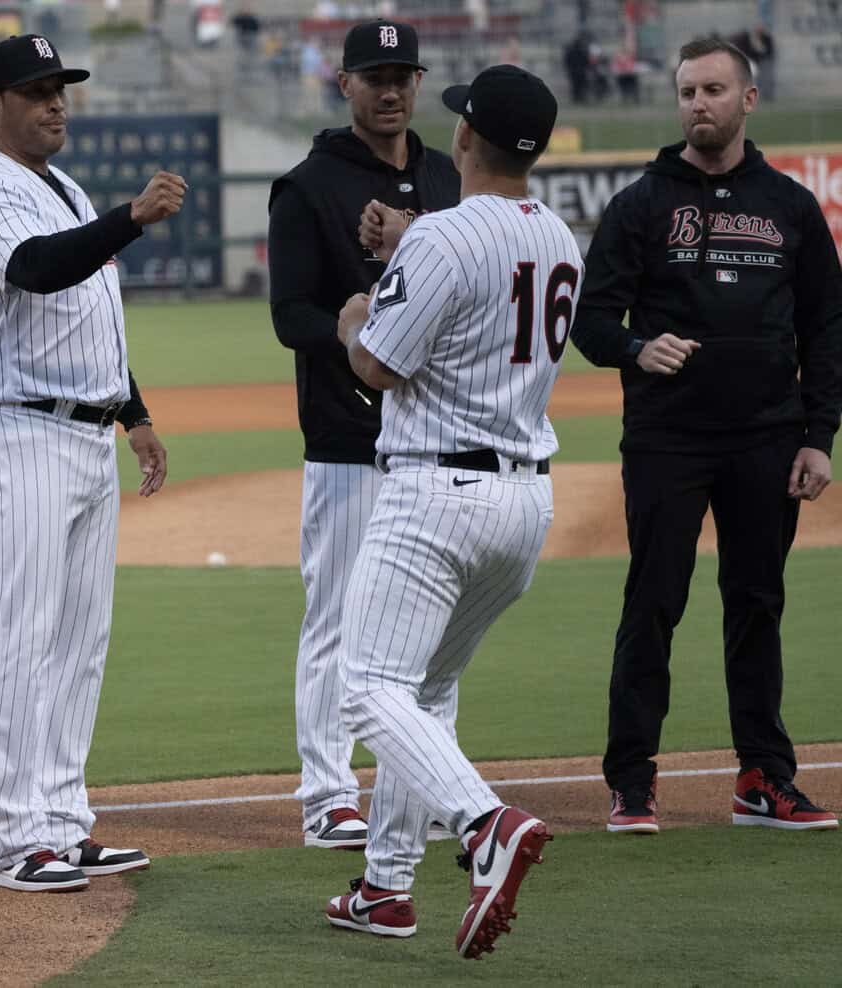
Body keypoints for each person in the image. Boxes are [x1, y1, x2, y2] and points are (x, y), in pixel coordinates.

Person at [329, 64, 582, 958]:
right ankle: (384, 888)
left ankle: (486, 826)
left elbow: (380, 367)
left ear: (467, 138)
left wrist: (355, 319)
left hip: (437, 492)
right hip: (524, 501)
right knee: (425, 692)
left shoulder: (440, 235)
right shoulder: (561, 237)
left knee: (366, 688)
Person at [570, 37, 842, 834]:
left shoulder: (790, 206)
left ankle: (764, 779)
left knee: (756, 604)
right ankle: (632, 784)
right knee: (653, 603)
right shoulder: (641, 204)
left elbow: (827, 325)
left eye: (714, 89)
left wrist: (818, 434)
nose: (699, 104)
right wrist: (633, 348)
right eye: (688, 90)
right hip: (667, 439)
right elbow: (588, 319)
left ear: (747, 99)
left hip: (767, 436)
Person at [0, 34, 185, 892]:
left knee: (81, 641)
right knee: (24, 636)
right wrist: (129, 219)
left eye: (61, 89)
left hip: (85, 434)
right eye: (36, 90)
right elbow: (38, 272)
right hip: (20, 434)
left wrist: (135, 413)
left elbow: (90, 318)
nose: (55, 103)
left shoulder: (62, 186)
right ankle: (12, 843)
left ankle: (61, 822)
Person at [267, 19, 460, 853]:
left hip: (439, 436)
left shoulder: (451, 177)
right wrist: (355, 337)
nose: (391, 89)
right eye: (374, 75)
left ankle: (424, 787)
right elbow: (291, 315)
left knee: (435, 634)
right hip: (349, 439)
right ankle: (327, 792)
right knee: (338, 620)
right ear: (342, 84)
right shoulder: (308, 185)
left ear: (418, 83)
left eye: (403, 74)